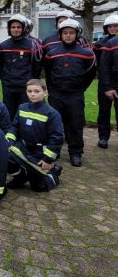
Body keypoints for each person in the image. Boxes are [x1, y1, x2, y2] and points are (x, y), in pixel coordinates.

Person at [43, 19, 96, 167]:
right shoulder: (52, 53)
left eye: (71, 33)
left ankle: (76, 152)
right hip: (56, 94)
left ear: (77, 34)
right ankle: (54, 150)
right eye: (65, 33)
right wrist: (51, 90)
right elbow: (48, 72)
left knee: (75, 124)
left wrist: (80, 87)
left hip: (75, 94)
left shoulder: (86, 54)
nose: (68, 36)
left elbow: (90, 73)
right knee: (55, 124)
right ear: (60, 34)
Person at [6, 79, 64, 191]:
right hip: (22, 148)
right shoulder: (22, 108)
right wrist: (9, 139)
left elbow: (57, 137)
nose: (32, 94)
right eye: (29, 91)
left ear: (45, 92)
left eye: (37, 91)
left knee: (39, 187)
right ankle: (20, 178)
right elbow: (14, 127)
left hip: (39, 154)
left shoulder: (52, 113)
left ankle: (54, 172)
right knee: (6, 157)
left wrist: (47, 159)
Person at [0, 14, 43, 119]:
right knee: (9, 115)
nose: (16, 29)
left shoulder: (32, 44)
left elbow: (37, 66)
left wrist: (31, 81)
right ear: (9, 29)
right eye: (13, 27)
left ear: (23, 29)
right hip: (8, 87)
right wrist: (5, 80)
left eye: (18, 27)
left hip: (25, 87)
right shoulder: (3, 46)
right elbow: (0, 66)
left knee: (25, 115)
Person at [94, 14, 118, 148]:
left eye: (115, 26)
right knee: (104, 111)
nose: (113, 28)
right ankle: (103, 137)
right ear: (106, 28)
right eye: (110, 26)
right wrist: (106, 83)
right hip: (105, 82)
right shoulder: (99, 44)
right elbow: (100, 64)